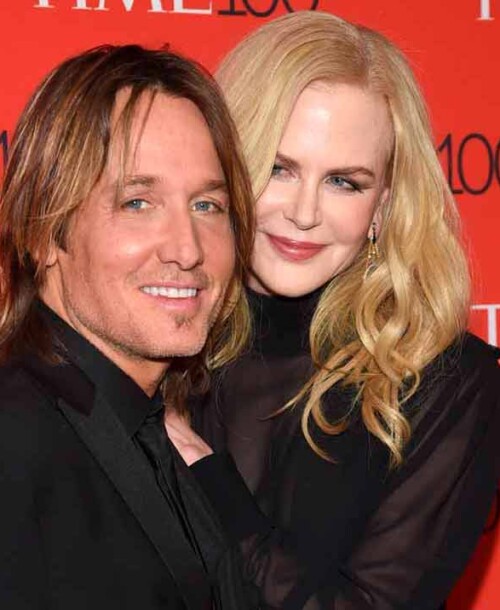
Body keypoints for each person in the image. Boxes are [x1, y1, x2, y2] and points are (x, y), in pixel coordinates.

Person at [165, 11, 500, 610]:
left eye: (344, 181)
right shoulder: (158, 342)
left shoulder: (447, 385)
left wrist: (208, 483)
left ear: (383, 205)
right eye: (278, 168)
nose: (304, 213)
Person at [0, 44, 257, 609]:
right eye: (138, 203)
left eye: (207, 206)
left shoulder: (171, 433)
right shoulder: (15, 444)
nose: (188, 249)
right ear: (44, 232)